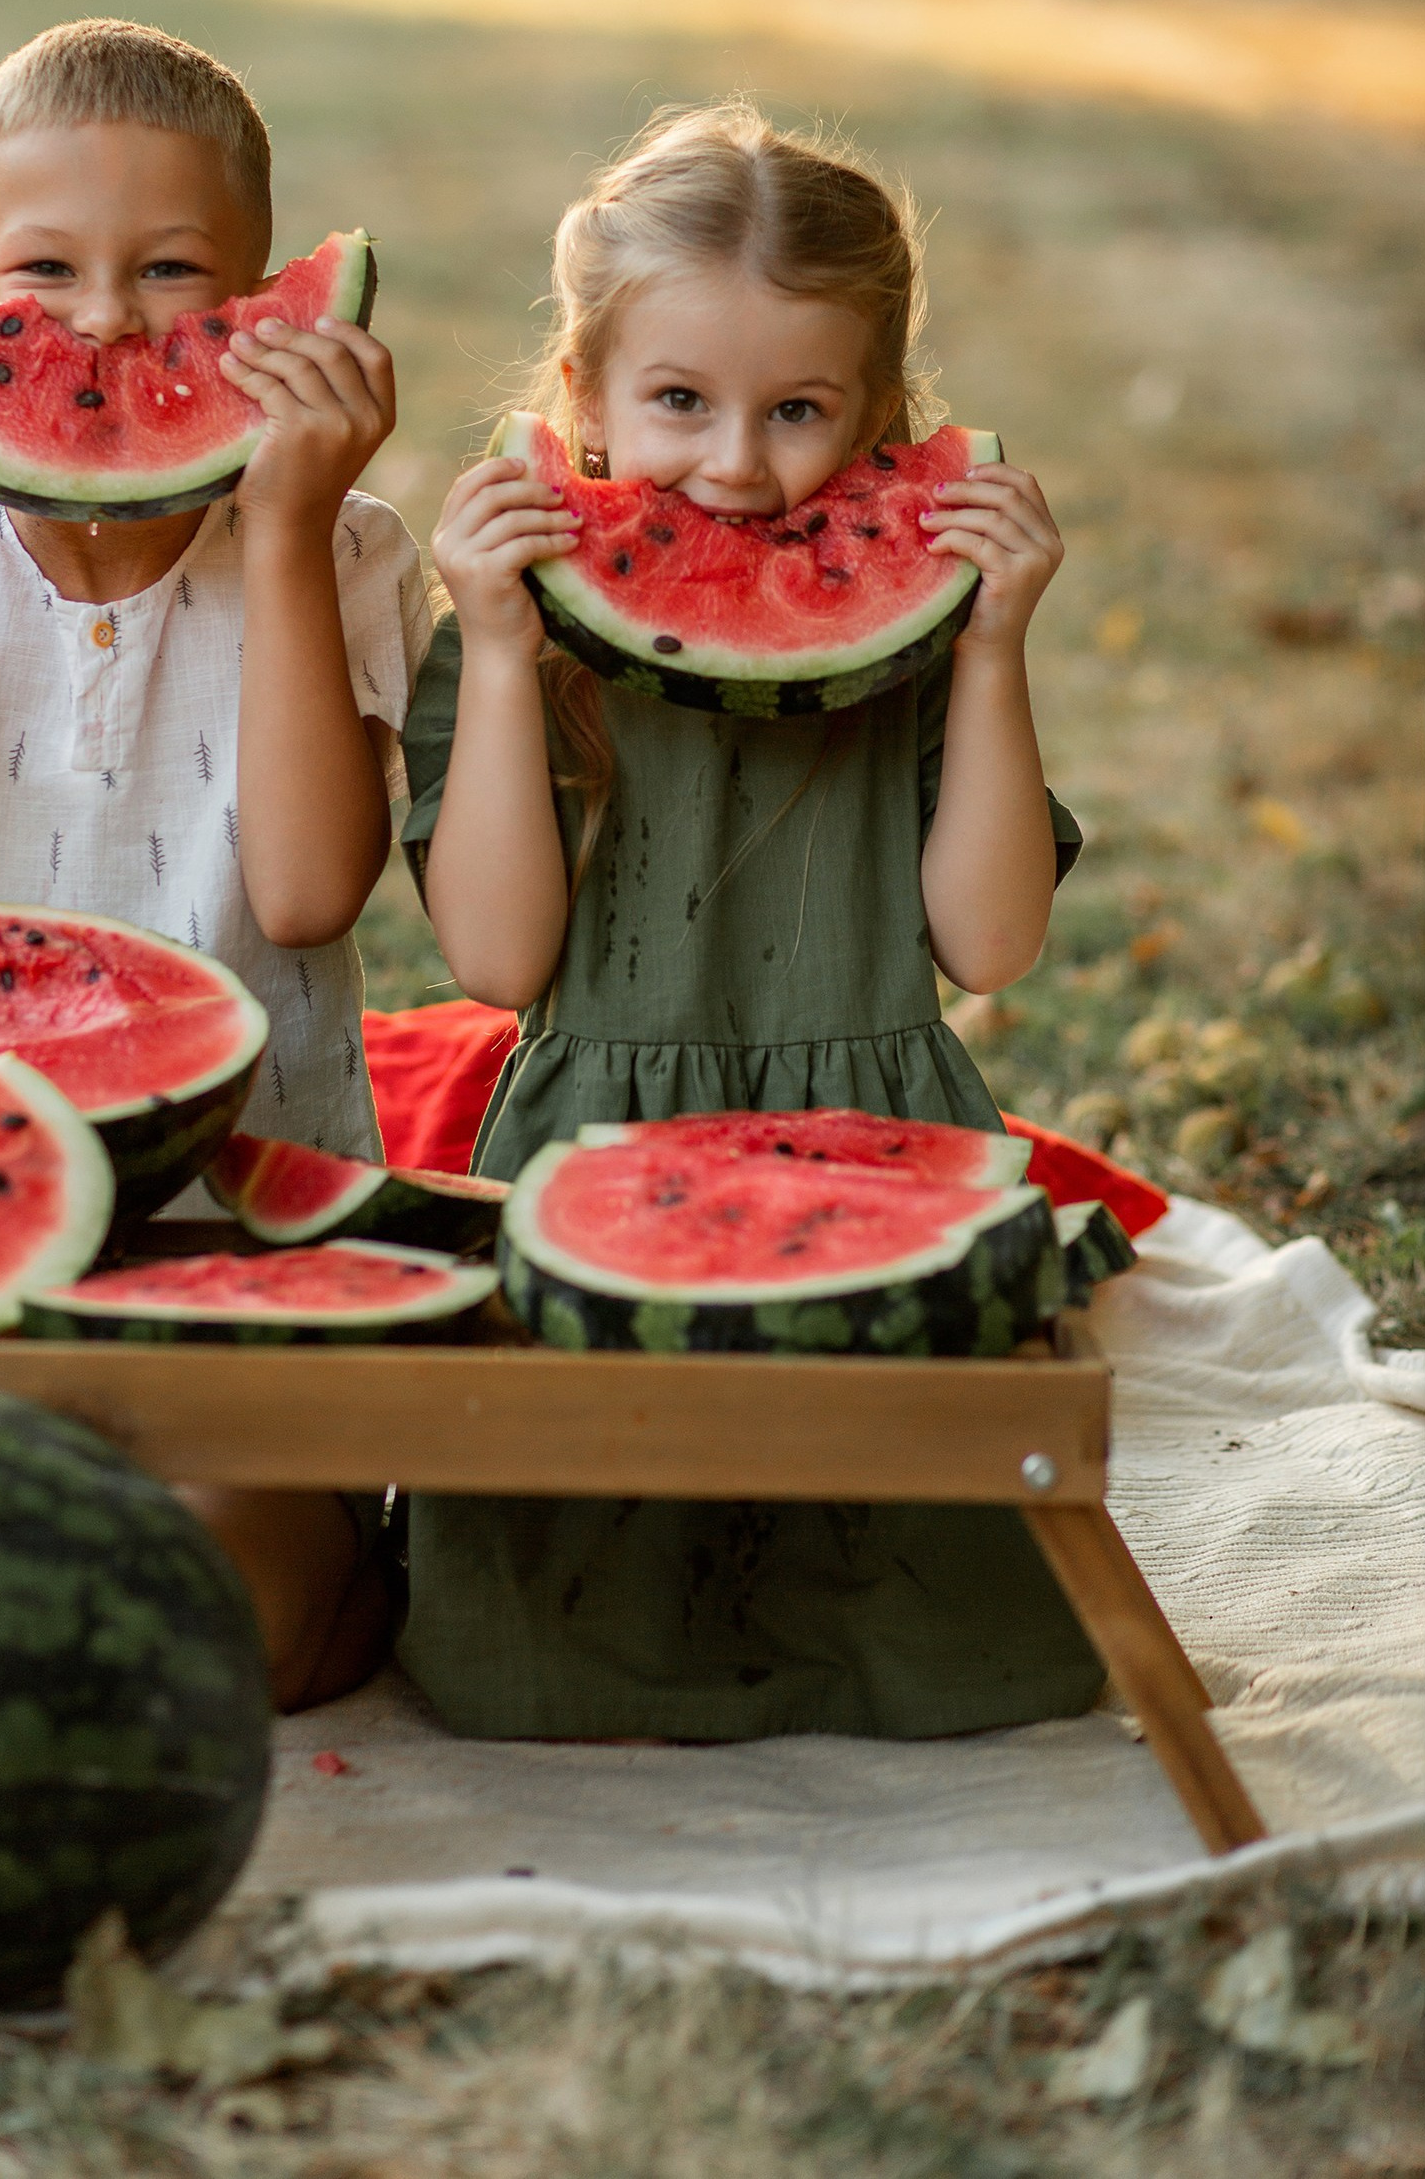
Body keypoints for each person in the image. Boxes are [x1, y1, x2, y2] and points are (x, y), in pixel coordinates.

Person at [397, 101, 1101, 1740]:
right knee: (544, 1652)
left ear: (882, 416)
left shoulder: (924, 642)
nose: (734, 463)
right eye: (679, 401)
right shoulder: (519, 642)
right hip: (597, 1151)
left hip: (879, 1147)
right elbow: (497, 961)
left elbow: (991, 943)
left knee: (942, 1641)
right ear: (582, 399)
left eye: (798, 410)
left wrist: (993, 648)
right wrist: (494, 655)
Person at [0, 16, 431, 1709]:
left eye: (174, 270)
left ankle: (347, 1566)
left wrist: (287, 525)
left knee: (211, 1608)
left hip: (254, 1242)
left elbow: (305, 893)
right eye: (43, 271)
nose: (110, 320)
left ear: (268, 297)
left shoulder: (345, 546)